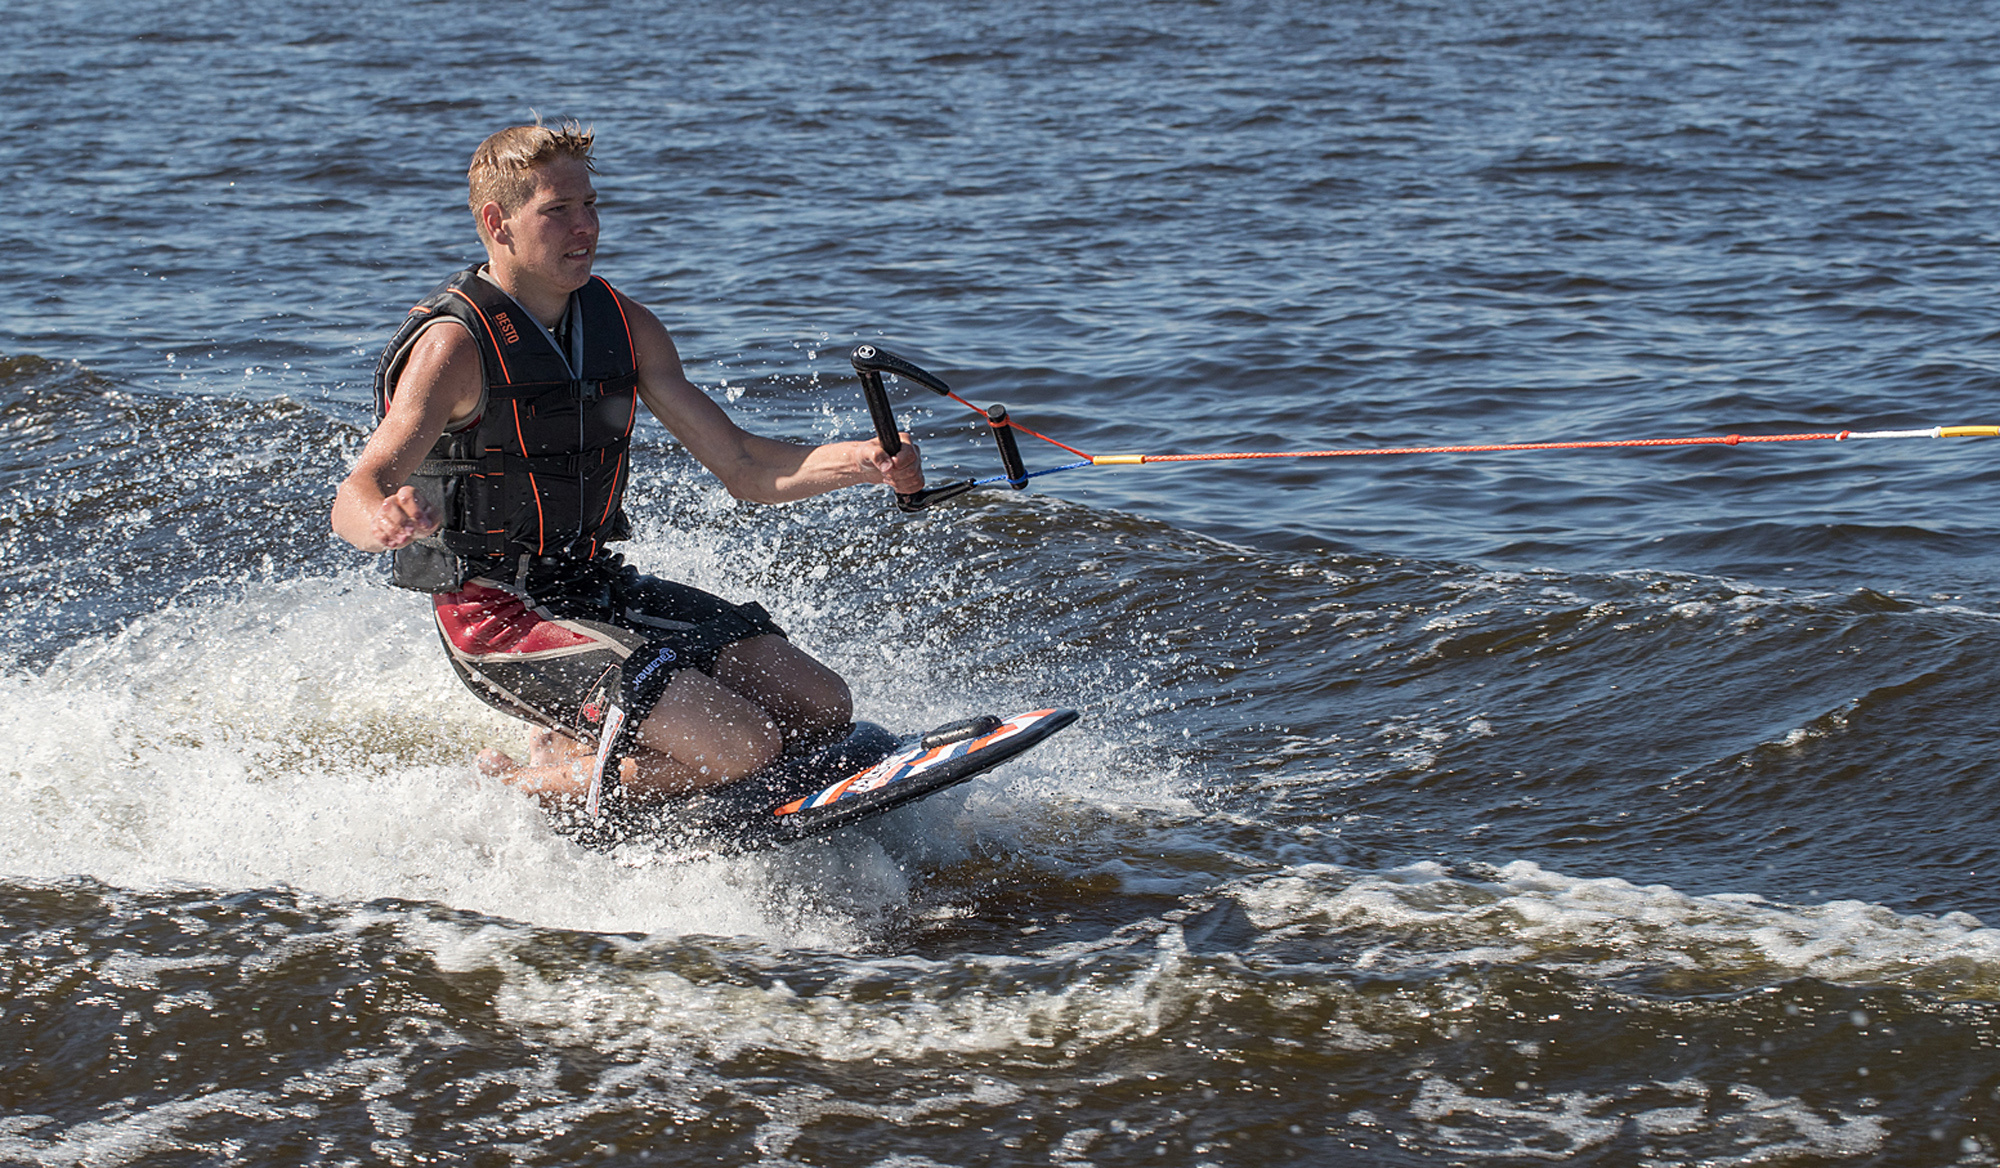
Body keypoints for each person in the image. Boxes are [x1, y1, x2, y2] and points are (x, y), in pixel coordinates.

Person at [330, 122, 923, 819]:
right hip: (497, 616)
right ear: (499, 222)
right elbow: (355, 492)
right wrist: (384, 517)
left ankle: (579, 753)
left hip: (594, 586)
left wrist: (864, 463)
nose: (586, 228)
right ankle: (517, 789)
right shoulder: (454, 347)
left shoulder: (624, 324)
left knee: (820, 705)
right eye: (558, 211)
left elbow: (742, 467)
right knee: (743, 745)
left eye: (592, 206)